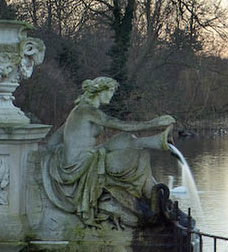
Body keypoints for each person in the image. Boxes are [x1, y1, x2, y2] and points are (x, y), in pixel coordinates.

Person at [42, 77, 176, 228]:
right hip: (81, 163)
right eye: (110, 91)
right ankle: (152, 196)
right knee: (140, 155)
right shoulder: (88, 111)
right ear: (100, 91)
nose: (111, 95)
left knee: (124, 139)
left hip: (86, 155)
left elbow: (52, 141)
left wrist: (58, 152)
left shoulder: (78, 111)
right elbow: (120, 124)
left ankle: (158, 141)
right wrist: (154, 123)